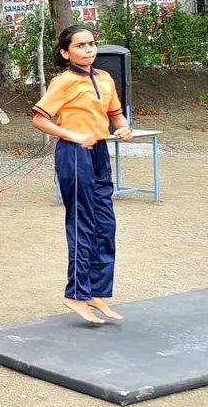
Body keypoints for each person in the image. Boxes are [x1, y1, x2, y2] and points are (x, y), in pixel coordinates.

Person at [31, 26, 133, 325]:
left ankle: (96, 291)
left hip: (99, 151)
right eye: (81, 45)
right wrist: (73, 136)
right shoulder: (63, 82)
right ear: (66, 52)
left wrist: (123, 127)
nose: (89, 50)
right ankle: (75, 293)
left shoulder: (105, 78)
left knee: (106, 221)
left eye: (92, 44)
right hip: (74, 154)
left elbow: (115, 114)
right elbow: (40, 119)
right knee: (83, 221)